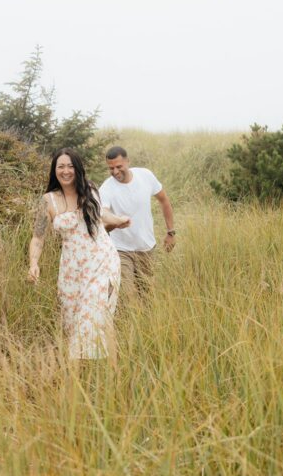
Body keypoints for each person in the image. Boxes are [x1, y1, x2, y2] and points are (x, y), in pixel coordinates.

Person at [27, 148, 131, 360]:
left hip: (102, 260)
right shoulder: (48, 201)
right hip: (72, 269)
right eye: (61, 166)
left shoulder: (89, 189)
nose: (66, 171)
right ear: (54, 170)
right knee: (73, 322)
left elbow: (102, 216)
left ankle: (109, 373)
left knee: (95, 314)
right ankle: (80, 379)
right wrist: (33, 263)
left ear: (78, 168)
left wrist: (119, 219)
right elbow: (38, 237)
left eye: (70, 166)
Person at [99, 145, 176, 301]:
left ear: (128, 161)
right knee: (126, 296)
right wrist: (116, 221)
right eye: (111, 168)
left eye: (119, 167)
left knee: (147, 296)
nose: (115, 172)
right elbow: (103, 214)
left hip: (146, 248)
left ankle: (147, 325)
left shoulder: (145, 176)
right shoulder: (107, 187)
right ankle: (124, 324)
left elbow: (164, 200)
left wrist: (171, 232)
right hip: (120, 250)